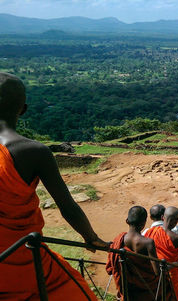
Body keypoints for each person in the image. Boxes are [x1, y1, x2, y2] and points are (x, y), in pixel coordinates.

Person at [0, 72, 108, 300]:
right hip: (23, 261)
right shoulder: (33, 151)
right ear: (23, 109)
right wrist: (90, 237)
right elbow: (68, 207)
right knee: (76, 291)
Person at [106, 206, 162, 301]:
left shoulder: (119, 240)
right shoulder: (148, 242)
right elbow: (157, 272)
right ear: (143, 224)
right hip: (147, 289)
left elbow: (111, 267)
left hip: (128, 288)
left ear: (127, 221)